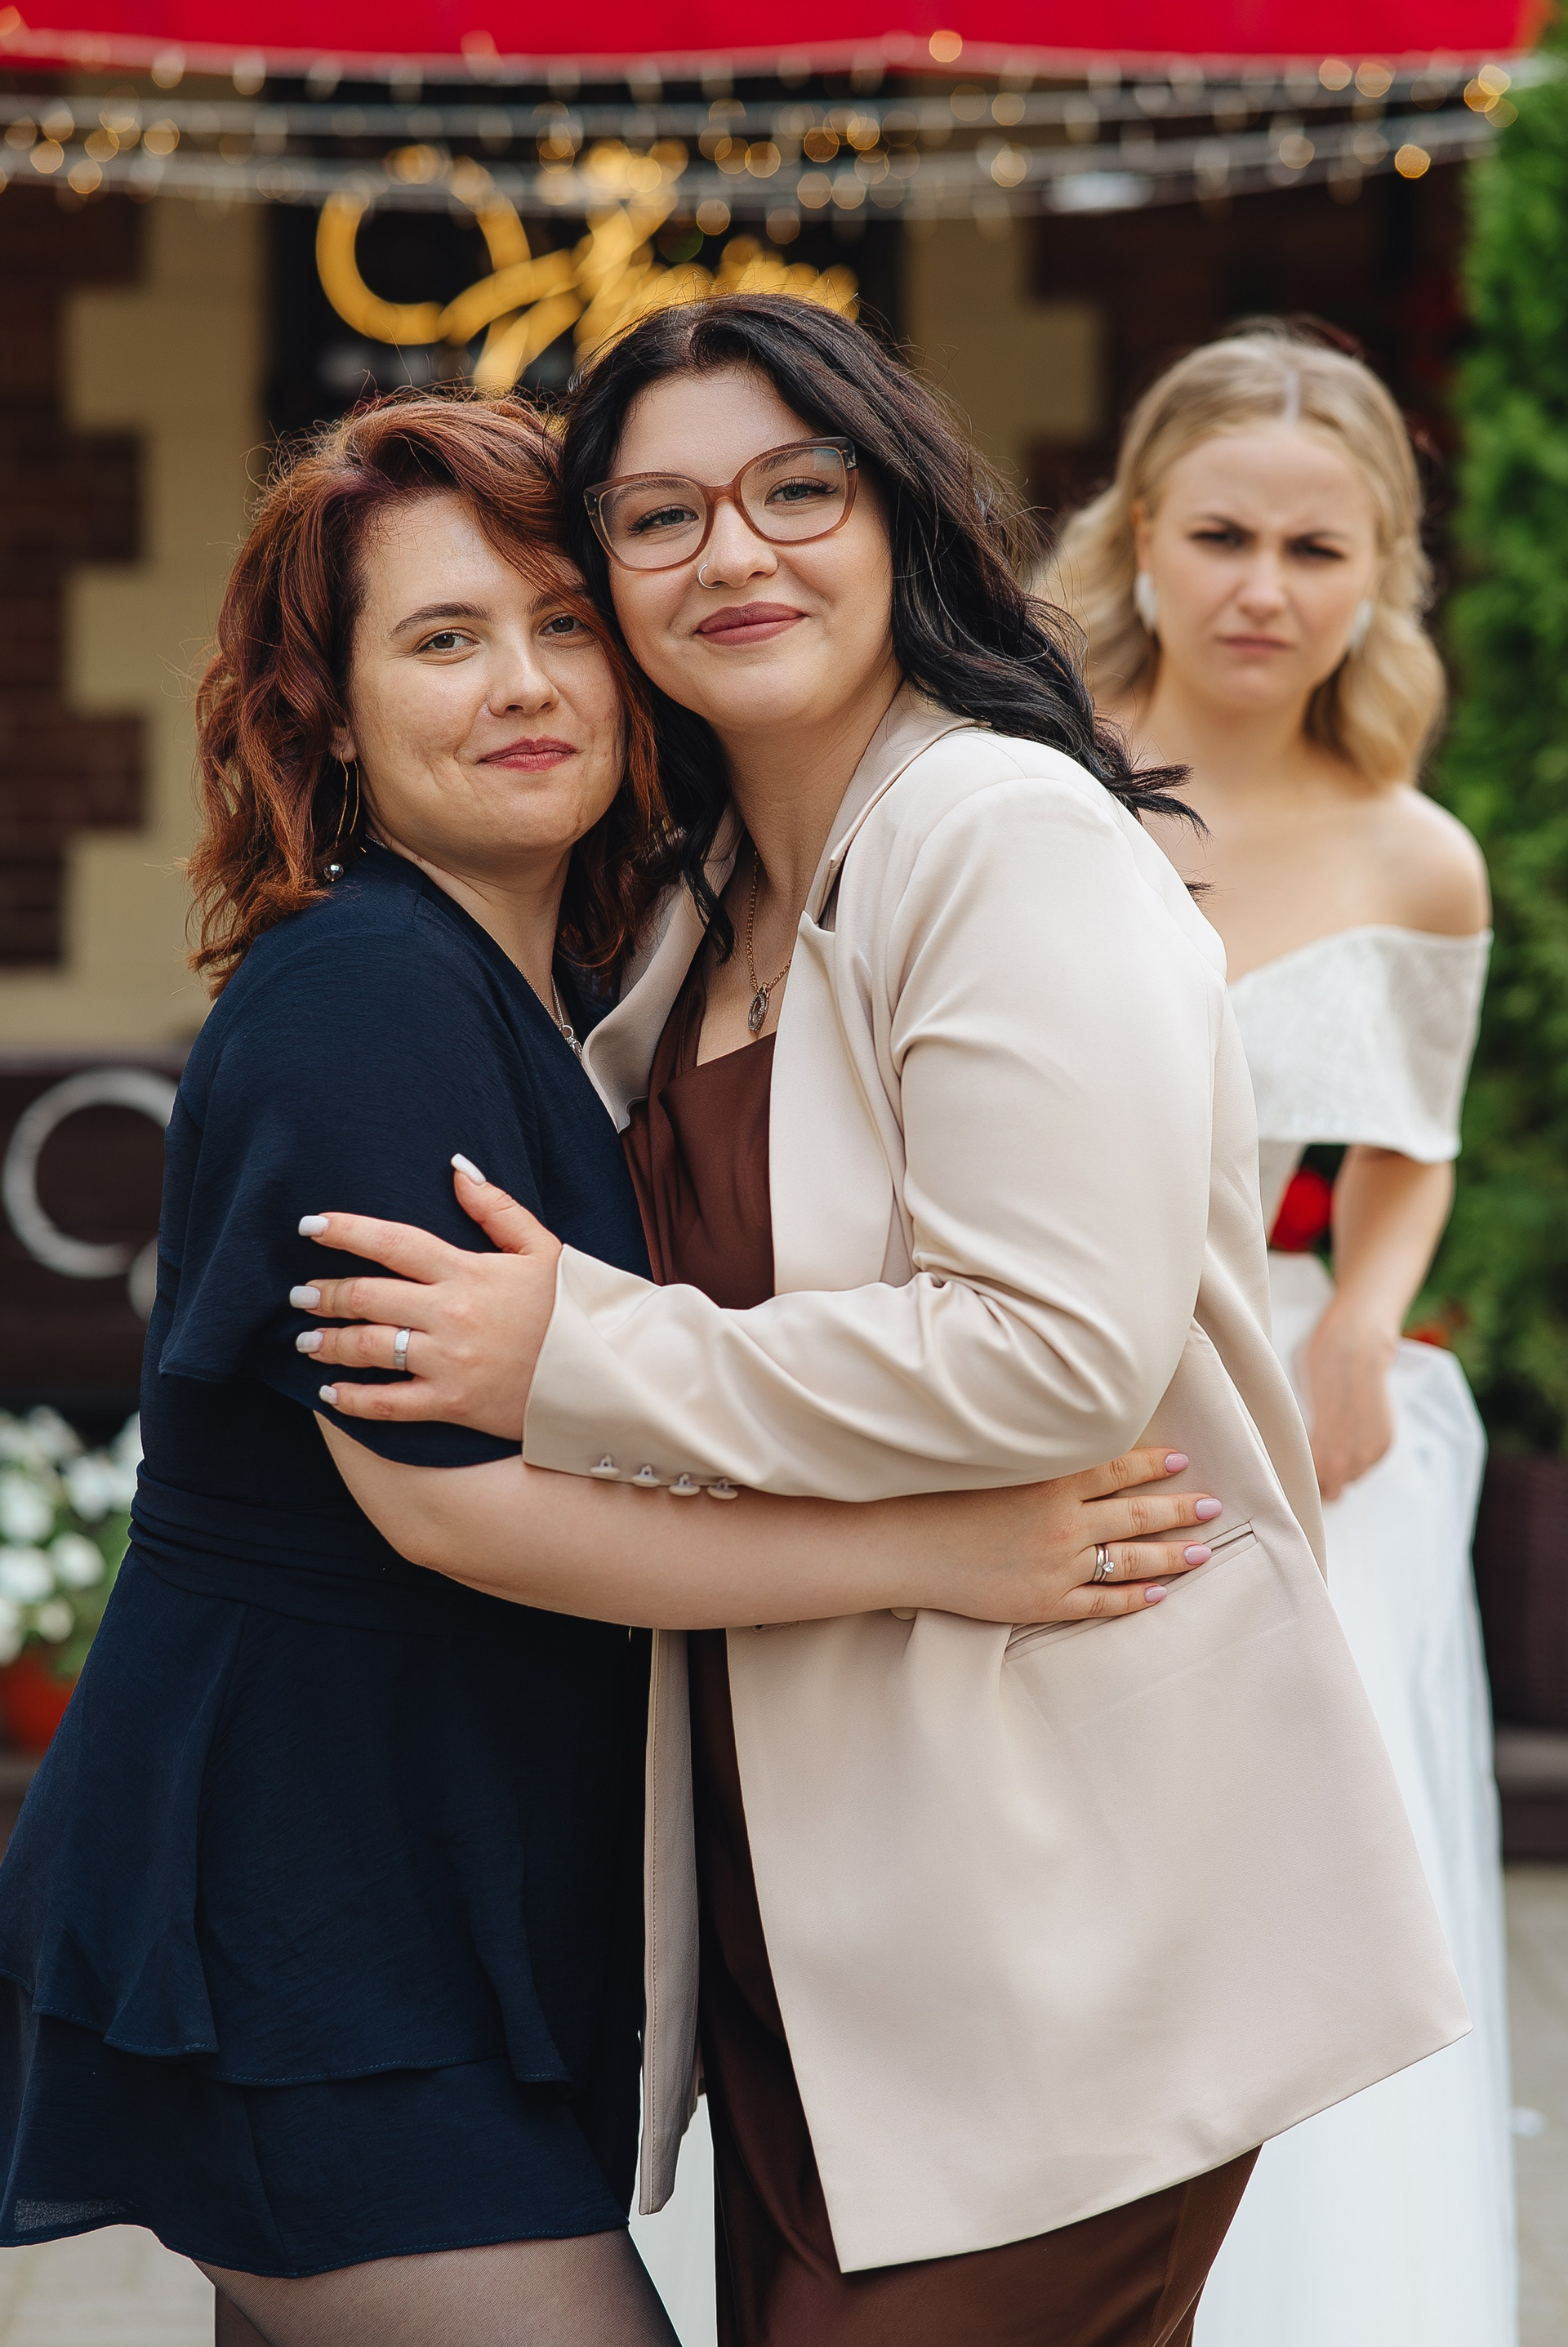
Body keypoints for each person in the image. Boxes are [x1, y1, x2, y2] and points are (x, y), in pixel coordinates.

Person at [290, 297, 1467, 2347]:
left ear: (899, 515)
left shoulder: (1003, 834)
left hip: (1060, 1898)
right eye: (659, 518)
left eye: (795, 490)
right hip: (826, 1923)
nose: (733, 553)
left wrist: (574, 1351)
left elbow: (1051, 1355)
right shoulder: (700, 895)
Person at [0, 396, 1192, 2347]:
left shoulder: (569, 992)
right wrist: (940, 1554)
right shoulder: (362, 999)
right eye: (442, 640)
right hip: (300, 1915)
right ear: (328, 714)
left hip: (435, 1889)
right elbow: (447, 1508)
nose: (524, 684)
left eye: (563, 623)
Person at [1044, 321, 1516, 2347]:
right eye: (1221, 535)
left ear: (1382, 573)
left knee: (1306, 1890)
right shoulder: (1024, 772)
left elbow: (1411, 1138)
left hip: (1292, 1400)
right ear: (1139, 532)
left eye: (1318, 550)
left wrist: (1365, 1331)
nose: (1263, 589)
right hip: (1026, 1367)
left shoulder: (1419, 854)